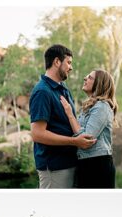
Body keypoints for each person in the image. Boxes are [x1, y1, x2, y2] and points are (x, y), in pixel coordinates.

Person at [29, 44, 96, 188]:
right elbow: (37, 134)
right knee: (52, 209)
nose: (71, 68)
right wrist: (75, 142)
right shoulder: (42, 92)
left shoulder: (63, 89)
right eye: (69, 62)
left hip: (68, 162)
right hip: (54, 166)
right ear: (57, 62)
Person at [60, 69, 117, 188]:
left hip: (98, 165)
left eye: (90, 77)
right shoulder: (90, 106)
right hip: (86, 163)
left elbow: (86, 138)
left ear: (99, 84)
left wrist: (70, 114)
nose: (85, 78)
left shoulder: (102, 107)